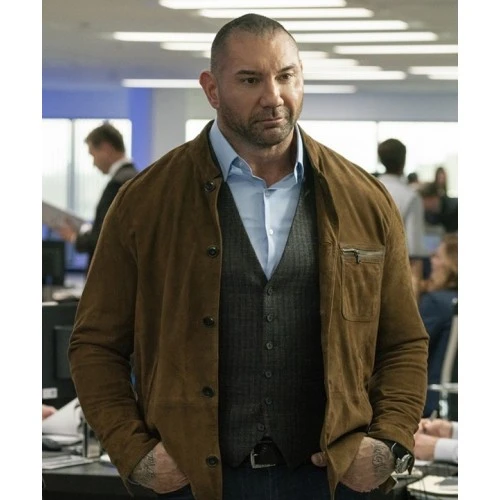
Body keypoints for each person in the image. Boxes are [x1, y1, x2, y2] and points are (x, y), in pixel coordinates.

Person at [68, 14, 429, 500]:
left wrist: (390, 444)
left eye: (286, 76)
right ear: (211, 89)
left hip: (331, 480)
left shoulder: (363, 198)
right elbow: (95, 344)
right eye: (250, 80)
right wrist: (134, 452)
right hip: (196, 482)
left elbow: (404, 341)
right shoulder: (145, 201)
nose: (273, 96)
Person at [56, 122, 138, 270]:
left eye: (93, 155)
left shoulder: (118, 185)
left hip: (112, 273)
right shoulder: (135, 178)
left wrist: (74, 237)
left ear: (106, 149)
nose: (94, 163)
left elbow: (105, 237)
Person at [411, 233, 458, 418]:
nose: (431, 260)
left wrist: (411, 295)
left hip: (431, 405)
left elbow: (410, 348)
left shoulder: (436, 303)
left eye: (437, 256)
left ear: (451, 263)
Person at [377, 138, 428, 258]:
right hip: (397, 262)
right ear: (404, 160)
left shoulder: (369, 189)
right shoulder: (410, 196)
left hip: (369, 261)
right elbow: (414, 247)